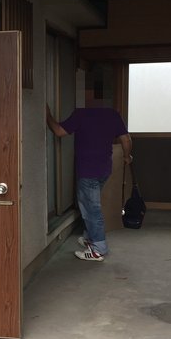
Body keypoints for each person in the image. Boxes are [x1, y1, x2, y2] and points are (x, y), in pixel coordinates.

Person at [46, 103, 132, 262]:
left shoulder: (80, 114)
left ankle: (98, 250)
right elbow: (126, 139)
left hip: (87, 171)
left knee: (92, 210)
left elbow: (58, 131)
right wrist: (127, 157)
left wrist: (47, 115)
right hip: (104, 170)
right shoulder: (113, 114)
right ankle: (90, 238)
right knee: (87, 205)